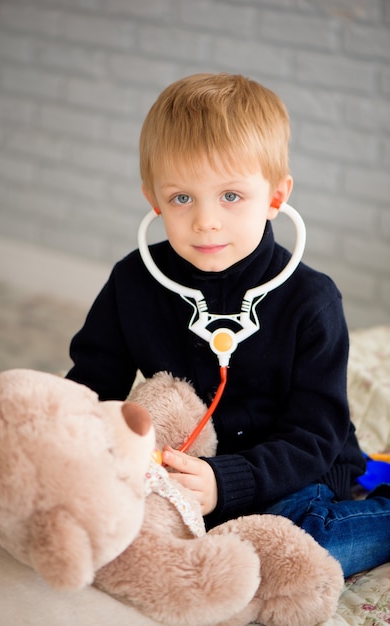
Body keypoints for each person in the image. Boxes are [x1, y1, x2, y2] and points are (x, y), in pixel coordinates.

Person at [67, 72, 390, 578]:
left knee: (291, 552)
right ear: (153, 198)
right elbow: (92, 384)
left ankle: (378, 502)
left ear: (276, 198)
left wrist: (228, 483)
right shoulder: (134, 281)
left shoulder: (311, 299)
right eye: (181, 198)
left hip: (294, 471)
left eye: (231, 196)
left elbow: (315, 434)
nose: (206, 221)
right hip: (181, 470)